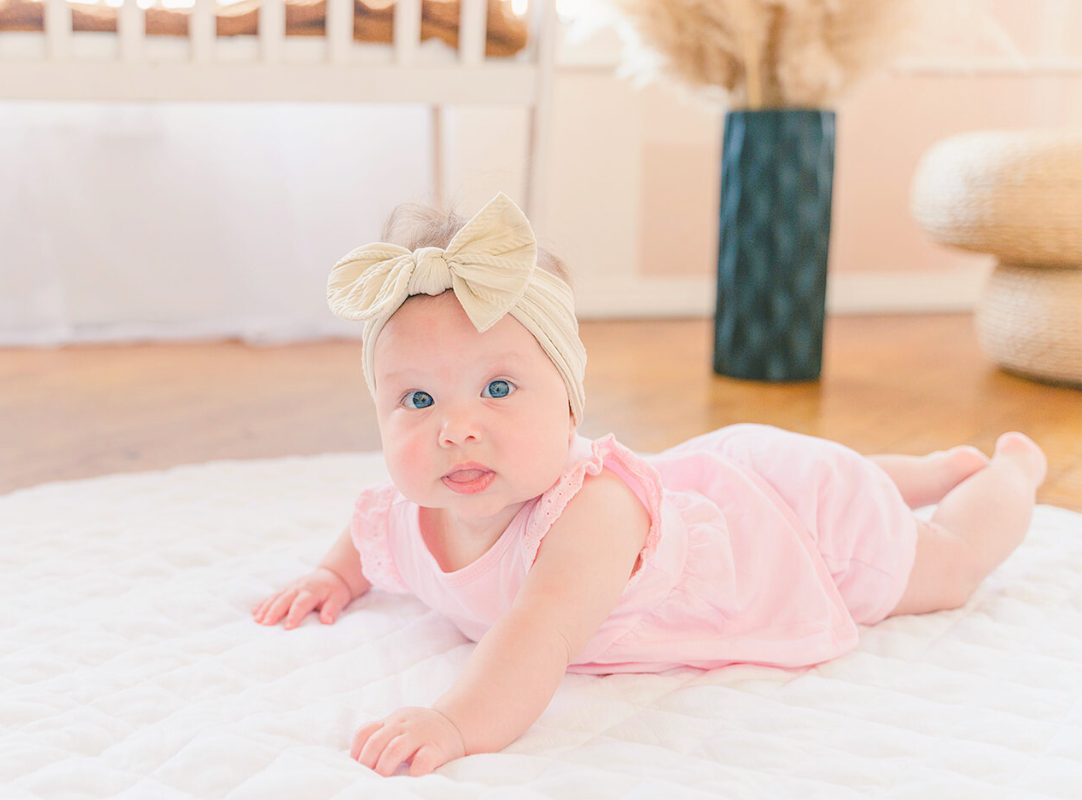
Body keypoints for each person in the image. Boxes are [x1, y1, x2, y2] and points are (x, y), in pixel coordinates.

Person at [252, 192, 1047, 778]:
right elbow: (370, 533)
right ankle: (917, 473)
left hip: (795, 531)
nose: (455, 428)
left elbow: (540, 635)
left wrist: (456, 723)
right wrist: (332, 576)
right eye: (417, 400)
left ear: (569, 401)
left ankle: (1008, 473)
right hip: (731, 482)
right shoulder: (415, 505)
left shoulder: (588, 514)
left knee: (943, 566)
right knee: (858, 481)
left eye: (498, 389)